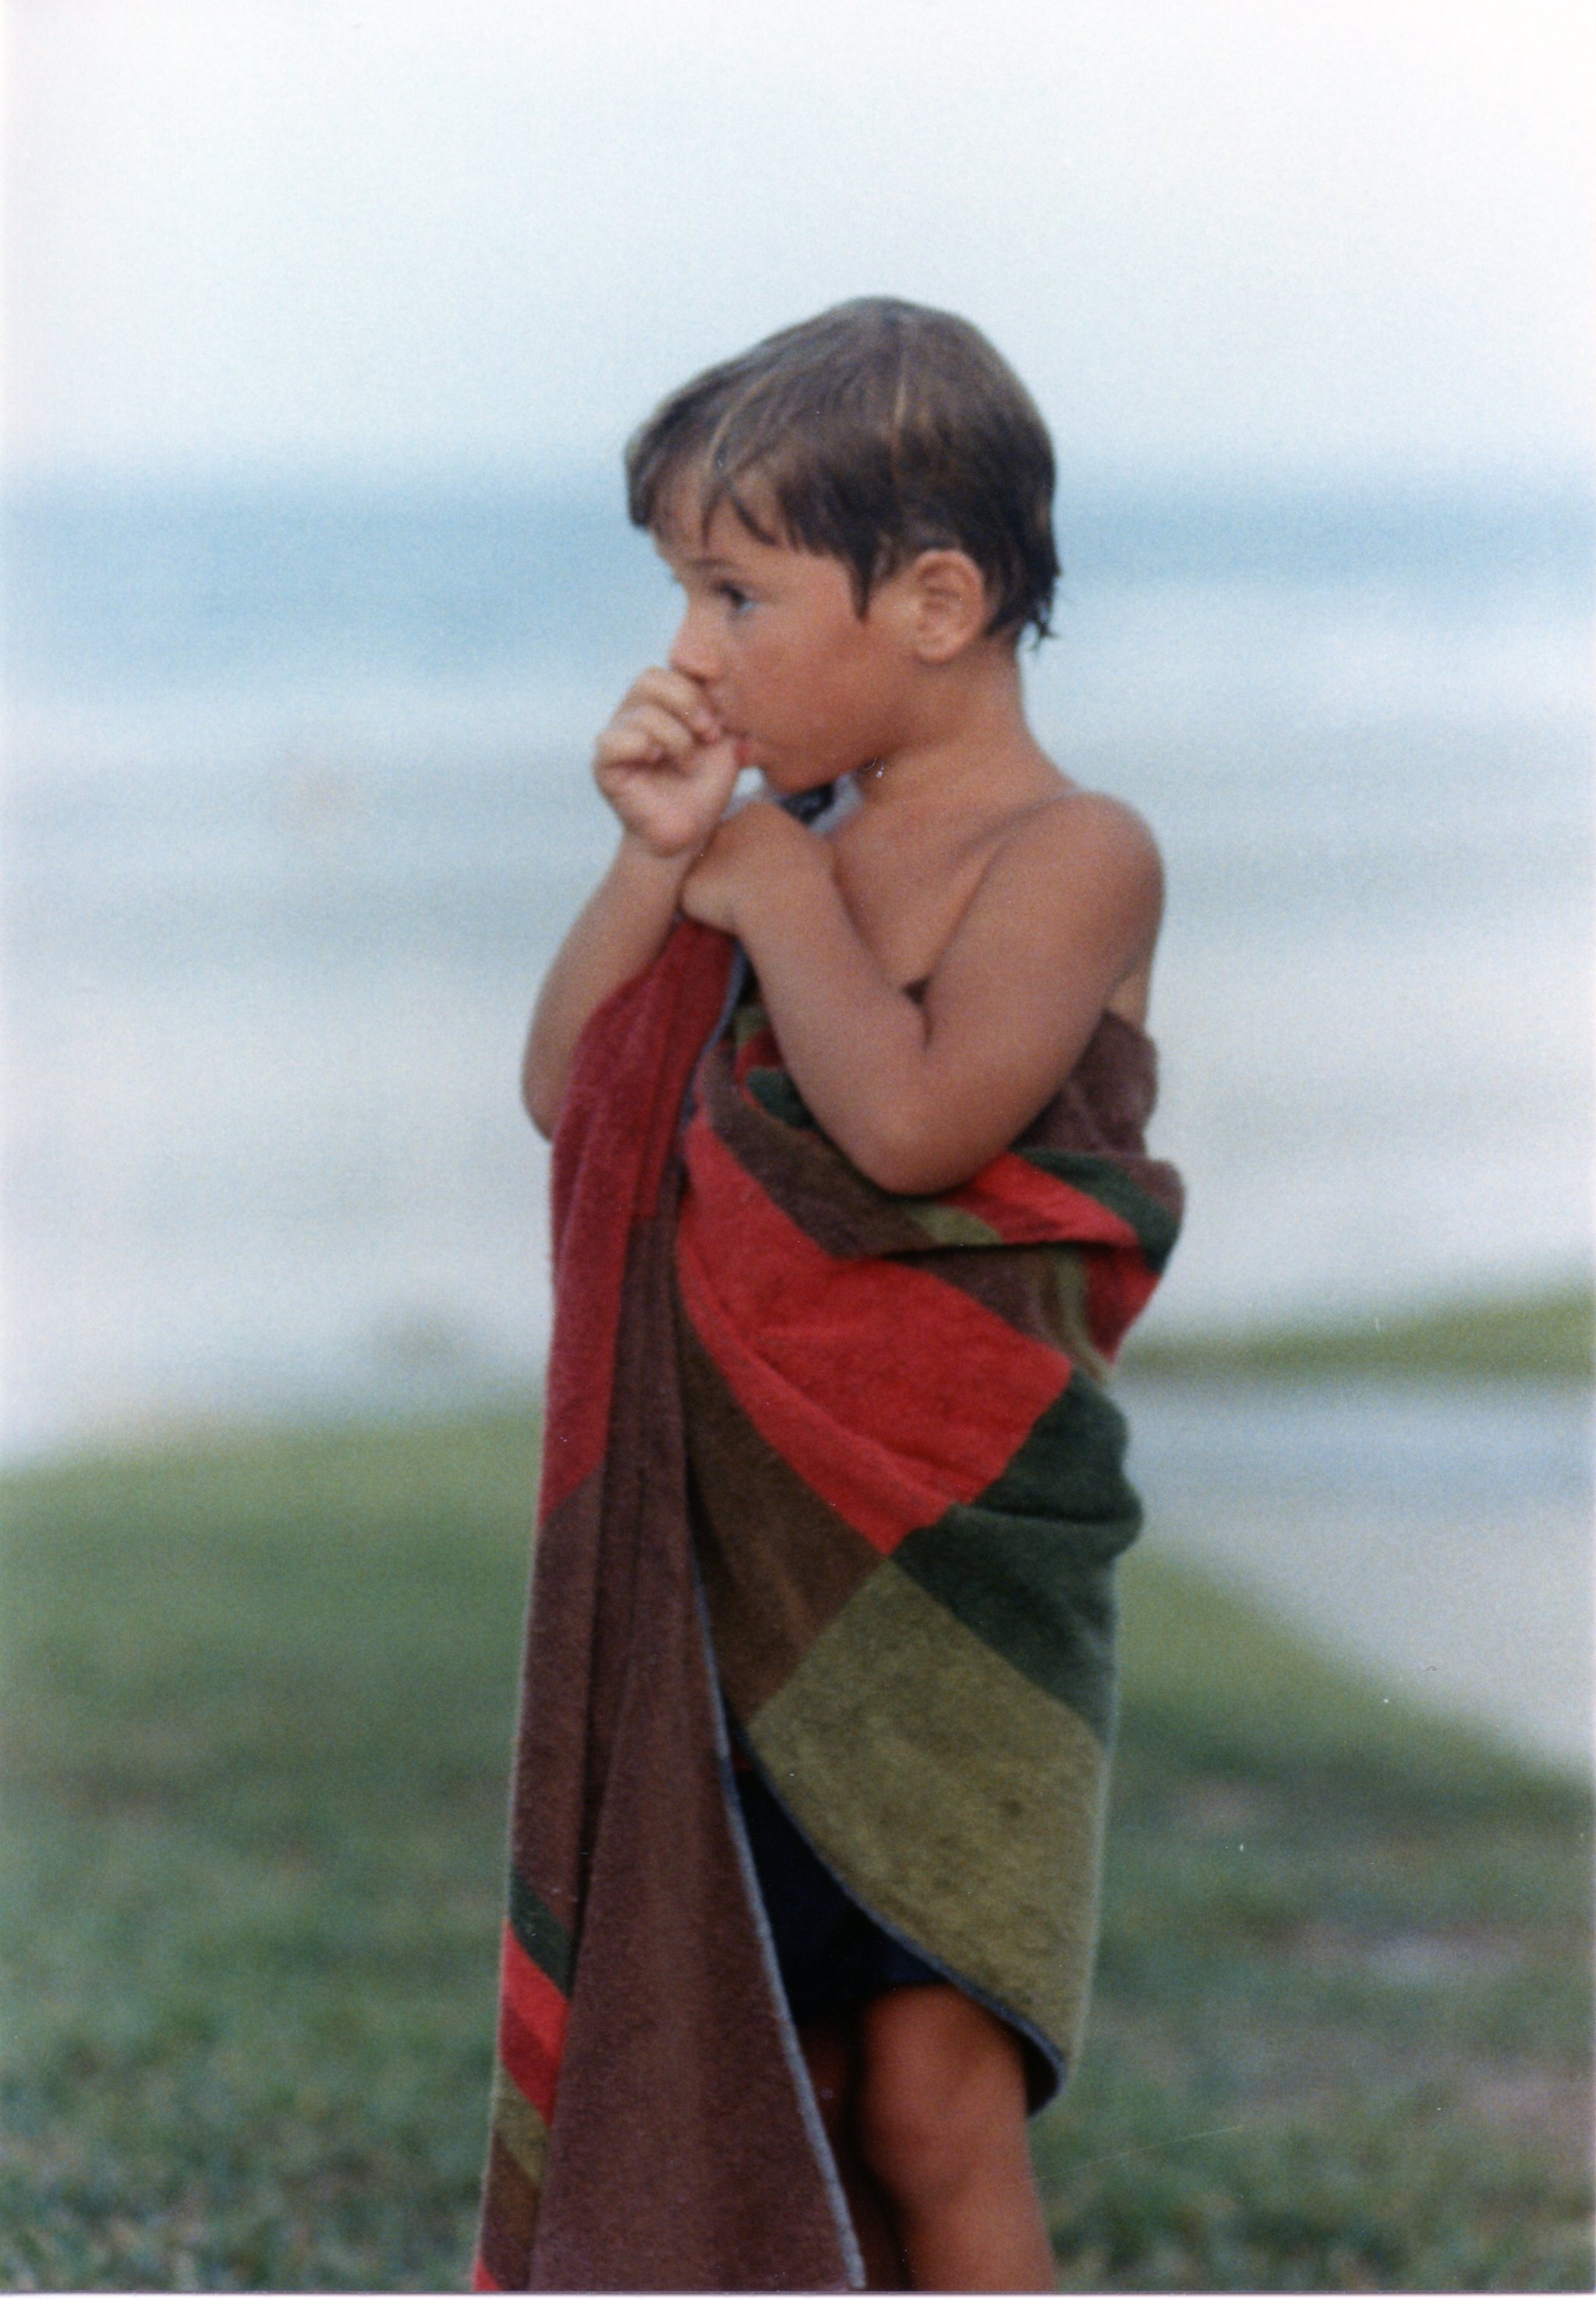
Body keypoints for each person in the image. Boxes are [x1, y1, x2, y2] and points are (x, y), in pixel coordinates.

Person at [483, 299, 1180, 2297]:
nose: (691, 651)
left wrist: (772, 891)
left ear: (937, 598)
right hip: (736, 1567)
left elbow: (912, 1131)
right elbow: (571, 1089)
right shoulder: (782, 838)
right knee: (766, 2073)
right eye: (680, 593)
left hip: (954, 1570)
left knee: (930, 2097)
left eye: (733, 593)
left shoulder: (1074, 853)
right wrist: (660, 863)